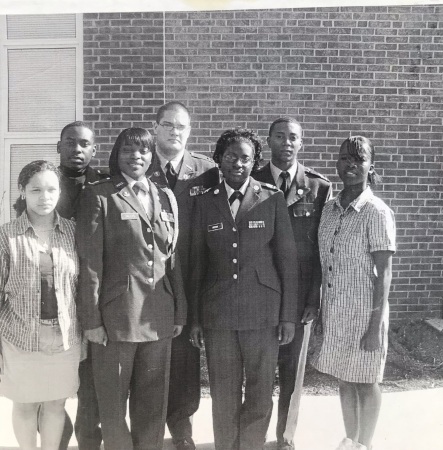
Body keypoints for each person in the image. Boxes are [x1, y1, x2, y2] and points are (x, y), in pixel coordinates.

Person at [76, 127, 187, 450]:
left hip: (159, 318)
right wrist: (91, 320)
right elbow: (90, 263)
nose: (135, 156)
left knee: (152, 405)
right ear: (116, 155)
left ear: (152, 156)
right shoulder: (99, 195)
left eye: (143, 150)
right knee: (112, 406)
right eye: (128, 150)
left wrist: (179, 308)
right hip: (117, 319)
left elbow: (172, 257)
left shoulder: (164, 196)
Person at [190, 128, 298, 450]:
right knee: (223, 393)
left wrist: (287, 316)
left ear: (255, 163)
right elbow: (197, 264)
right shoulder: (205, 203)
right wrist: (195, 318)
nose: (238, 163)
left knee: (260, 391)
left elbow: (287, 261)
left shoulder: (271, 198)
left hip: (263, 312)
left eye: (246, 158)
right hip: (219, 315)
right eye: (231, 156)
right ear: (219, 160)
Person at [313, 136, 396, 450]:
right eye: (345, 158)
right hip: (335, 310)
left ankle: (366, 443)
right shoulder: (330, 210)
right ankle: (351, 440)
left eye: (359, 160)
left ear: (370, 167)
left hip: (365, 313)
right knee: (344, 378)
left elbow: (384, 273)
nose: (350, 165)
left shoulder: (376, 212)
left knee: (366, 381)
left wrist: (374, 326)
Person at [253, 117, 331, 449]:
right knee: (258, 372)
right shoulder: (251, 180)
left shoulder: (318, 187)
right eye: (280, 136)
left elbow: (320, 249)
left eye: (293, 137)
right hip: (258, 293)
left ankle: (285, 438)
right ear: (268, 141)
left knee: (292, 375)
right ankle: (254, 436)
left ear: (302, 143)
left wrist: (314, 298)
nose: (286, 142)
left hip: (299, 297)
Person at [147, 101, 219, 450]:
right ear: (155, 127)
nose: (175, 132)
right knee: (148, 354)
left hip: (192, 275)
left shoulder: (206, 170)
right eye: (168, 125)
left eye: (182, 127)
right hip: (150, 278)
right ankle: (146, 427)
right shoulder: (139, 164)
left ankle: (182, 429)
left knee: (185, 356)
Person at [0, 160, 82, 450]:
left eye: (51, 189)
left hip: (64, 339)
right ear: (23, 192)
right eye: (35, 190)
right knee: (24, 405)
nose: (44, 197)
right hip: (19, 339)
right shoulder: (6, 236)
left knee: (55, 405)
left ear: (60, 192)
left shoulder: (74, 232)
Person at [56, 120, 108, 450]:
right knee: (56, 381)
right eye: (70, 142)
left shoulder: (105, 184)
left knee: (91, 381)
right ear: (59, 147)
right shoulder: (45, 182)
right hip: (56, 291)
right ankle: (56, 440)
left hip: (94, 292)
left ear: (93, 150)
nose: (77, 149)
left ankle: (90, 441)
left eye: (84, 144)